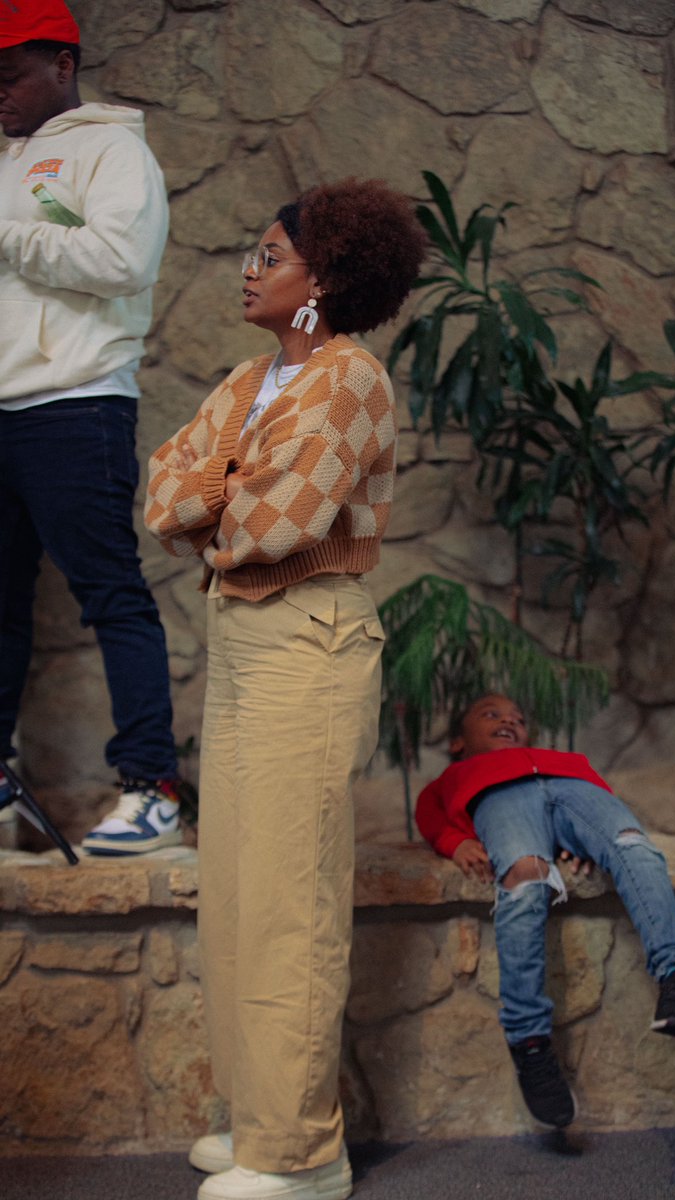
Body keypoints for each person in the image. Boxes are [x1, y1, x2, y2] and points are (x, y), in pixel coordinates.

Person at [144, 178, 426, 1200]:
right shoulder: (247, 378)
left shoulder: (347, 380)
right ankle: (252, 1120)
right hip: (240, 641)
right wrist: (232, 473)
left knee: (287, 900)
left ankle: (302, 1154)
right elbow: (162, 495)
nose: (250, 270)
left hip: (306, 635)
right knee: (232, 891)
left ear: (327, 277)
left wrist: (218, 491)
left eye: (271, 256)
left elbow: (270, 530)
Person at [0, 0, 185, 855]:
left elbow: (122, 262)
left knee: (111, 595)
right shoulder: (3, 157)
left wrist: (9, 238)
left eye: (7, 77)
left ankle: (151, 790)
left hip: (74, 403)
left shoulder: (114, 150)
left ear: (61, 66)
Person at [416, 693, 675, 1130]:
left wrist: (582, 843)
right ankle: (529, 1041)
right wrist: (454, 843)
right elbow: (428, 811)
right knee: (525, 877)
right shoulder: (459, 775)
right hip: (502, 800)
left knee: (634, 847)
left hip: (577, 792)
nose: (508, 721)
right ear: (458, 742)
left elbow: (594, 816)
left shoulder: (564, 760)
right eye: (490, 715)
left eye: (517, 718)